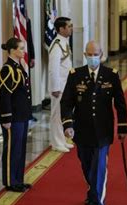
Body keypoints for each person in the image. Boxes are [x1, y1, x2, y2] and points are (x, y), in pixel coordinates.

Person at [61, 41, 127, 205]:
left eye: (96, 54)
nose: (93, 57)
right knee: (86, 164)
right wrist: (68, 124)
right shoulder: (76, 75)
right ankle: (93, 191)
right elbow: (66, 102)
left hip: (102, 131)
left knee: (98, 168)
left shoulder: (111, 75)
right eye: (89, 54)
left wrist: (122, 127)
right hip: (82, 130)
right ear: (85, 55)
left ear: (102, 54)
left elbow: (120, 103)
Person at [0, 37, 33, 193]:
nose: (23, 51)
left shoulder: (18, 66)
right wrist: (6, 117)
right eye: (21, 48)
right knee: (12, 149)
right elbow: (4, 95)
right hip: (13, 116)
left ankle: (19, 179)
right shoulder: (8, 69)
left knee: (20, 149)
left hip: (22, 115)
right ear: (12, 50)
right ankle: (11, 182)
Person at [48, 16, 73, 152]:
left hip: (66, 84)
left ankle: (62, 139)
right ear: (61, 29)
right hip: (59, 86)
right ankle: (56, 143)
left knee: (64, 113)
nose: (71, 28)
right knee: (57, 114)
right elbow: (53, 68)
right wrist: (55, 87)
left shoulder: (64, 41)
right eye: (69, 26)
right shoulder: (57, 44)